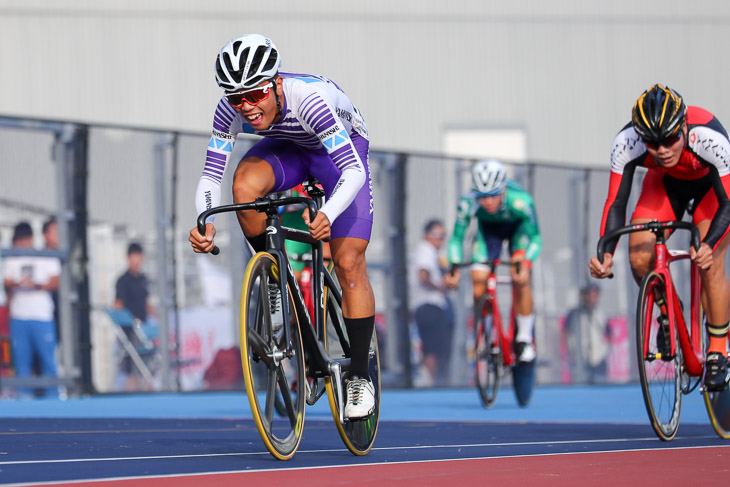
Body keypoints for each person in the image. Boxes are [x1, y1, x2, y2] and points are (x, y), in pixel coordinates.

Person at [188, 34, 376, 419]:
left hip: (337, 154)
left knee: (349, 262)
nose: (247, 107)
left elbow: (353, 170)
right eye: (236, 97)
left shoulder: (309, 99)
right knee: (244, 186)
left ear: (274, 84)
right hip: (289, 150)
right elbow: (212, 177)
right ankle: (274, 277)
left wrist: (329, 212)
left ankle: (359, 377)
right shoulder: (230, 110)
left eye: (255, 95)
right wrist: (204, 223)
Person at [589, 83, 730, 391]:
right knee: (639, 257)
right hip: (666, 184)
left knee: (710, 262)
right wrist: (606, 252)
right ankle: (669, 313)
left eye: (670, 139)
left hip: (712, 190)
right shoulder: (627, 142)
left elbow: (728, 203)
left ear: (683, 127)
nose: (663, 149)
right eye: (652, 143)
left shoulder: (709, 138)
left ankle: (718, 349)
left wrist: (709, 245)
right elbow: (616, 202)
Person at [448, 159, 542, 363]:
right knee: (478, 281)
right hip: (488, 233)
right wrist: (453, 266)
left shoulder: (522, 202)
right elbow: (456, 239)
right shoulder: (467, 203)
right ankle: (489, 335)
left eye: (493, 195)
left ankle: (524, 339)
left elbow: (535, 238)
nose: (488, 202)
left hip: (517, 232)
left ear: (503, 190)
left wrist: (527, 262)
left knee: (519, 276)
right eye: (482, 197)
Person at [2, 221, 60, 398]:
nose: (19, 245)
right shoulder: (12, 257)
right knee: (21, 363)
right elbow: (6, 281)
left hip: (42, 317)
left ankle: (53, 399)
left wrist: (36, 286)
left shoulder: (45, 255)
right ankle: (23, 401)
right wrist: (18, 284)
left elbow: (55, 282)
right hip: (19, 317)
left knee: (47, 361)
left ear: (29, 238)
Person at [409, 219, 459, 386]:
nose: (440, 239)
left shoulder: (430, 251)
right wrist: (440, 287)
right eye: (436, 235)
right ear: (427, 235)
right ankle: (432, 382)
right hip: (429, 305)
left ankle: (433, 380)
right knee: (433, 347)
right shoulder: (426, 250)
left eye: (443, 236)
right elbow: (423, 275)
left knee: (436, 346)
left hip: (431, 306)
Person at [114, 242, 156, 389]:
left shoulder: (143, 280)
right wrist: (130, 321)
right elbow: (118, 306)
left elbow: (146, 304)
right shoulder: (123, 281)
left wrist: (158, 316)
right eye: (134, 256)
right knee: (132, 369)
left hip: (143, 330)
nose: (137, 260)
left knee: (147, 367)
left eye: (139, 256)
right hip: (130, 331)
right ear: (128, 258)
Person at [563, 283, 609, 384]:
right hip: (580, 359)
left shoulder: (600, 313)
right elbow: (565, 333)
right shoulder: (574, 313)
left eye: (595, 295)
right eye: (590, 295)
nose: (593, 298)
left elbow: (609, 334)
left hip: (598, 360)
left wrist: (605, 351)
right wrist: (571, 352)